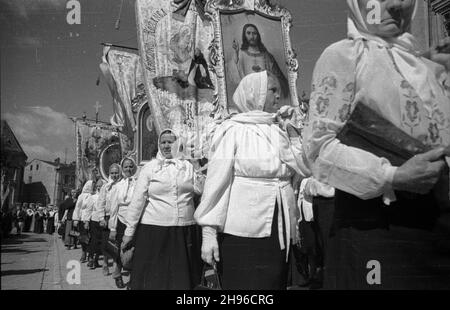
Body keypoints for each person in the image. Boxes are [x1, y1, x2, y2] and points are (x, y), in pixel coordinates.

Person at [302, 0, 450, 289]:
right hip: (381, 229)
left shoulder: (427, 67)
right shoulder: (345, 56)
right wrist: (392, 176)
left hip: (438, 230)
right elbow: (319, 151)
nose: (397, 5)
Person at [194, 71, 310, 290]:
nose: (278, 96)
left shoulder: (279, 130)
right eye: (272, 90)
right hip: (243, 231)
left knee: (274, 283)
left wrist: (293, 131)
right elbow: (216, 183)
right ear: (254, 94)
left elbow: (305, 167)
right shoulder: (232, 130)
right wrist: (208, 233)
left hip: (280, 227)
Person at [121, 129, 205, 290]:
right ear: (159, 145)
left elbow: (201, 190)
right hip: (154, 231)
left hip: (184, 229)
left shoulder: (186, 167)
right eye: (163, 142)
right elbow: (137, 201)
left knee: (180, 278)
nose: (167, 146)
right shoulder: (150, 168)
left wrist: (196, 165)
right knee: (155, 278)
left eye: (171, 142)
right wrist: (128, 232)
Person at [231, 24, 289, 99]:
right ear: (244, 35)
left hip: (265, 95)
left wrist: (266, 73)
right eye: (248, 33)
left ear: (258, 35)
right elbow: (234, 71)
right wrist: (236, 52)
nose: (252, 37)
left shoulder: (267, 56)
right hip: (248, 95)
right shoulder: (240, 54)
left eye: (254, 33)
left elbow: (279, 78)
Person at [108, 157, 137, 289]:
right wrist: (113, 228)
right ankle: (117, 274)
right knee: (120, 248)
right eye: (126, 166)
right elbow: (114, 208)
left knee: (135, 250)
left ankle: (133, 279)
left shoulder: (139, 183)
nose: (128, 169)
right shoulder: (118, 186)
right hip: (121, 220)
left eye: (131, 166)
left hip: (135, 220)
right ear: (122, 169)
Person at [91, 164, 121, 275]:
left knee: (117, 242)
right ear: (109, 174)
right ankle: (105, 263)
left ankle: (116, 264)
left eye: (116, 172)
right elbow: (100, 203)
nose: (114, 175)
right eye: (112, 173)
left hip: (119, 217)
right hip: (107, 217)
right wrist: (101, 218)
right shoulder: (105, 187)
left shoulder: (123, 184)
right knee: (106, 242)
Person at [73, 180, 95, 263]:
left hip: (92, 218)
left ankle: (91, 255)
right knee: (83, 237)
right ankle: (84, 253)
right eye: (92, 185)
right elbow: (77, 208)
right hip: (83, 218)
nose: (93, 187)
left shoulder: (95, 195)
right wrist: (76, 218)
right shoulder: (82, 196)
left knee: (92, 237)